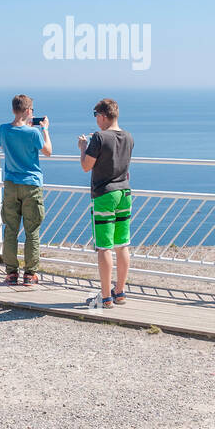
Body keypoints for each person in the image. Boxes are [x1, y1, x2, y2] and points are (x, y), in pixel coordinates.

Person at [79, 98, 134, 308]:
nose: (96, 120)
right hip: (124, 192)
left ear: (102, 116)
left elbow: (86, 166)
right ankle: (119, 292)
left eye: (96, 116)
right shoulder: (128, 137)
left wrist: (83, 148)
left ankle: (105, 297)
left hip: (104, 195)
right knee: (122, 245)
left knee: (104, 247)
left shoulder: (99, 137)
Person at [0, 94, 51, 284]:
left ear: (13, 109)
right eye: (32, 110)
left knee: (10, 229)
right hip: (32, 185)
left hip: (11, 183)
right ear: (28, 111)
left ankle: (11, 273)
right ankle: (30, 273)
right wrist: (45, 130)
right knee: (32, 230)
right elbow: (48, 151)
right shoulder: (33, 133)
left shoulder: (3, 129)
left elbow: (5, 145)